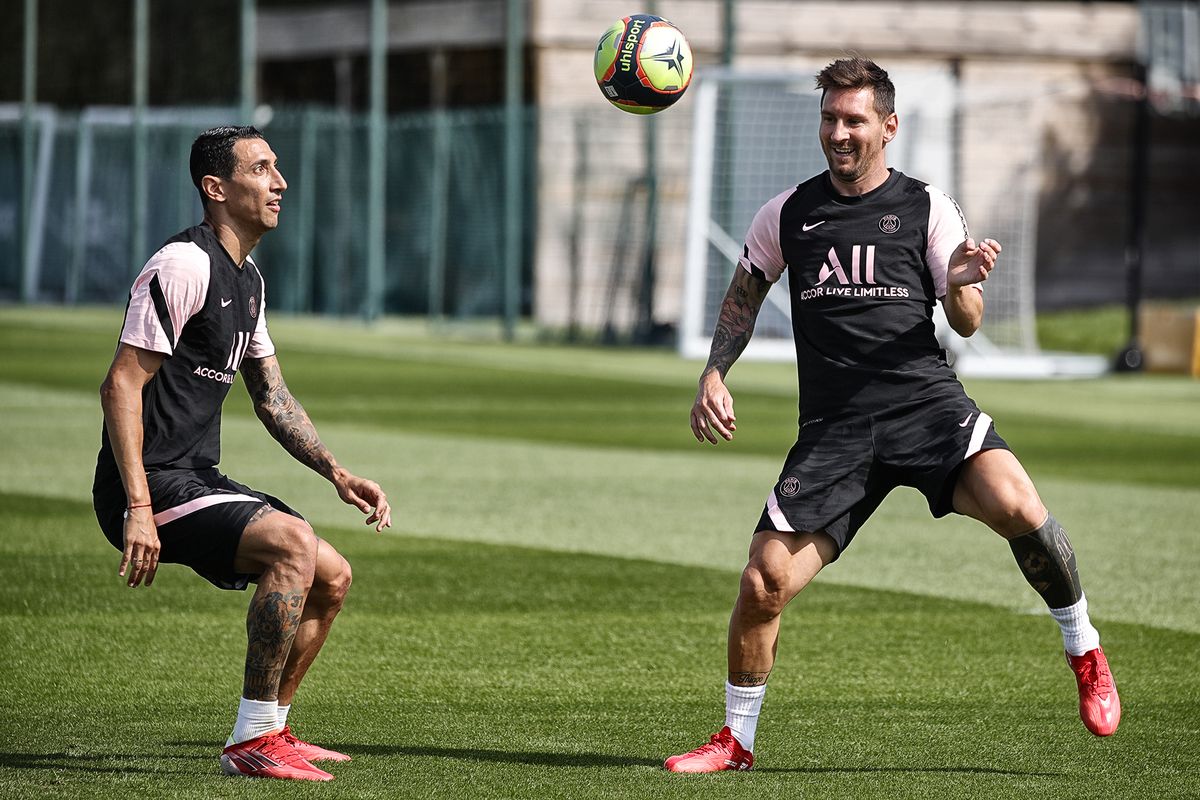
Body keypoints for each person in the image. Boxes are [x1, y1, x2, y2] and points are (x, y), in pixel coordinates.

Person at [664, 57, 1120, 774]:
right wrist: (714, 373)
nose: (838, 133)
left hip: (925, 410)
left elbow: (966, 323)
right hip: (835, 431)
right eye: (829, 119)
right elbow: (744, 296)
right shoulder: (786, 213)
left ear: (888, 126)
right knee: (763, 583)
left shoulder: (929, 208)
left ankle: (1084, 648)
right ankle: (736, 741)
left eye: (853, 120)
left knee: (1020, 506)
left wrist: (964, 285)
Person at [93, 125, 392, 783]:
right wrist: (137, 506)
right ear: (216, 188)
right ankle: (249, 743)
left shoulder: (248, 280)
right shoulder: (182, 265)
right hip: (148, 484)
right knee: (291, 543)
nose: (279, 182)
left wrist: (337, 473)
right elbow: (121, 383)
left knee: (331, 574)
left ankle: (274, 729)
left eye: (277, 167)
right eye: (261, 169)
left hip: (196, 477)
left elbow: (272, 397)